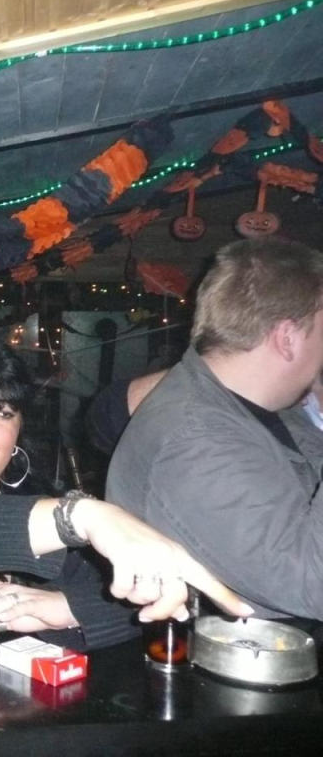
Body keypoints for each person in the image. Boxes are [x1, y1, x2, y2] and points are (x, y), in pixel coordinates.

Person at [0, 335, 251, 648]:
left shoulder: (37, 500)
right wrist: (80, 516)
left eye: (3, 412)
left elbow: (134, 606)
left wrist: (67, 608)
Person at [108, 237, 323, 621]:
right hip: (254, 652)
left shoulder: (268, 408)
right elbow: (314, 587)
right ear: (287, 338)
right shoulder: (196, 437)